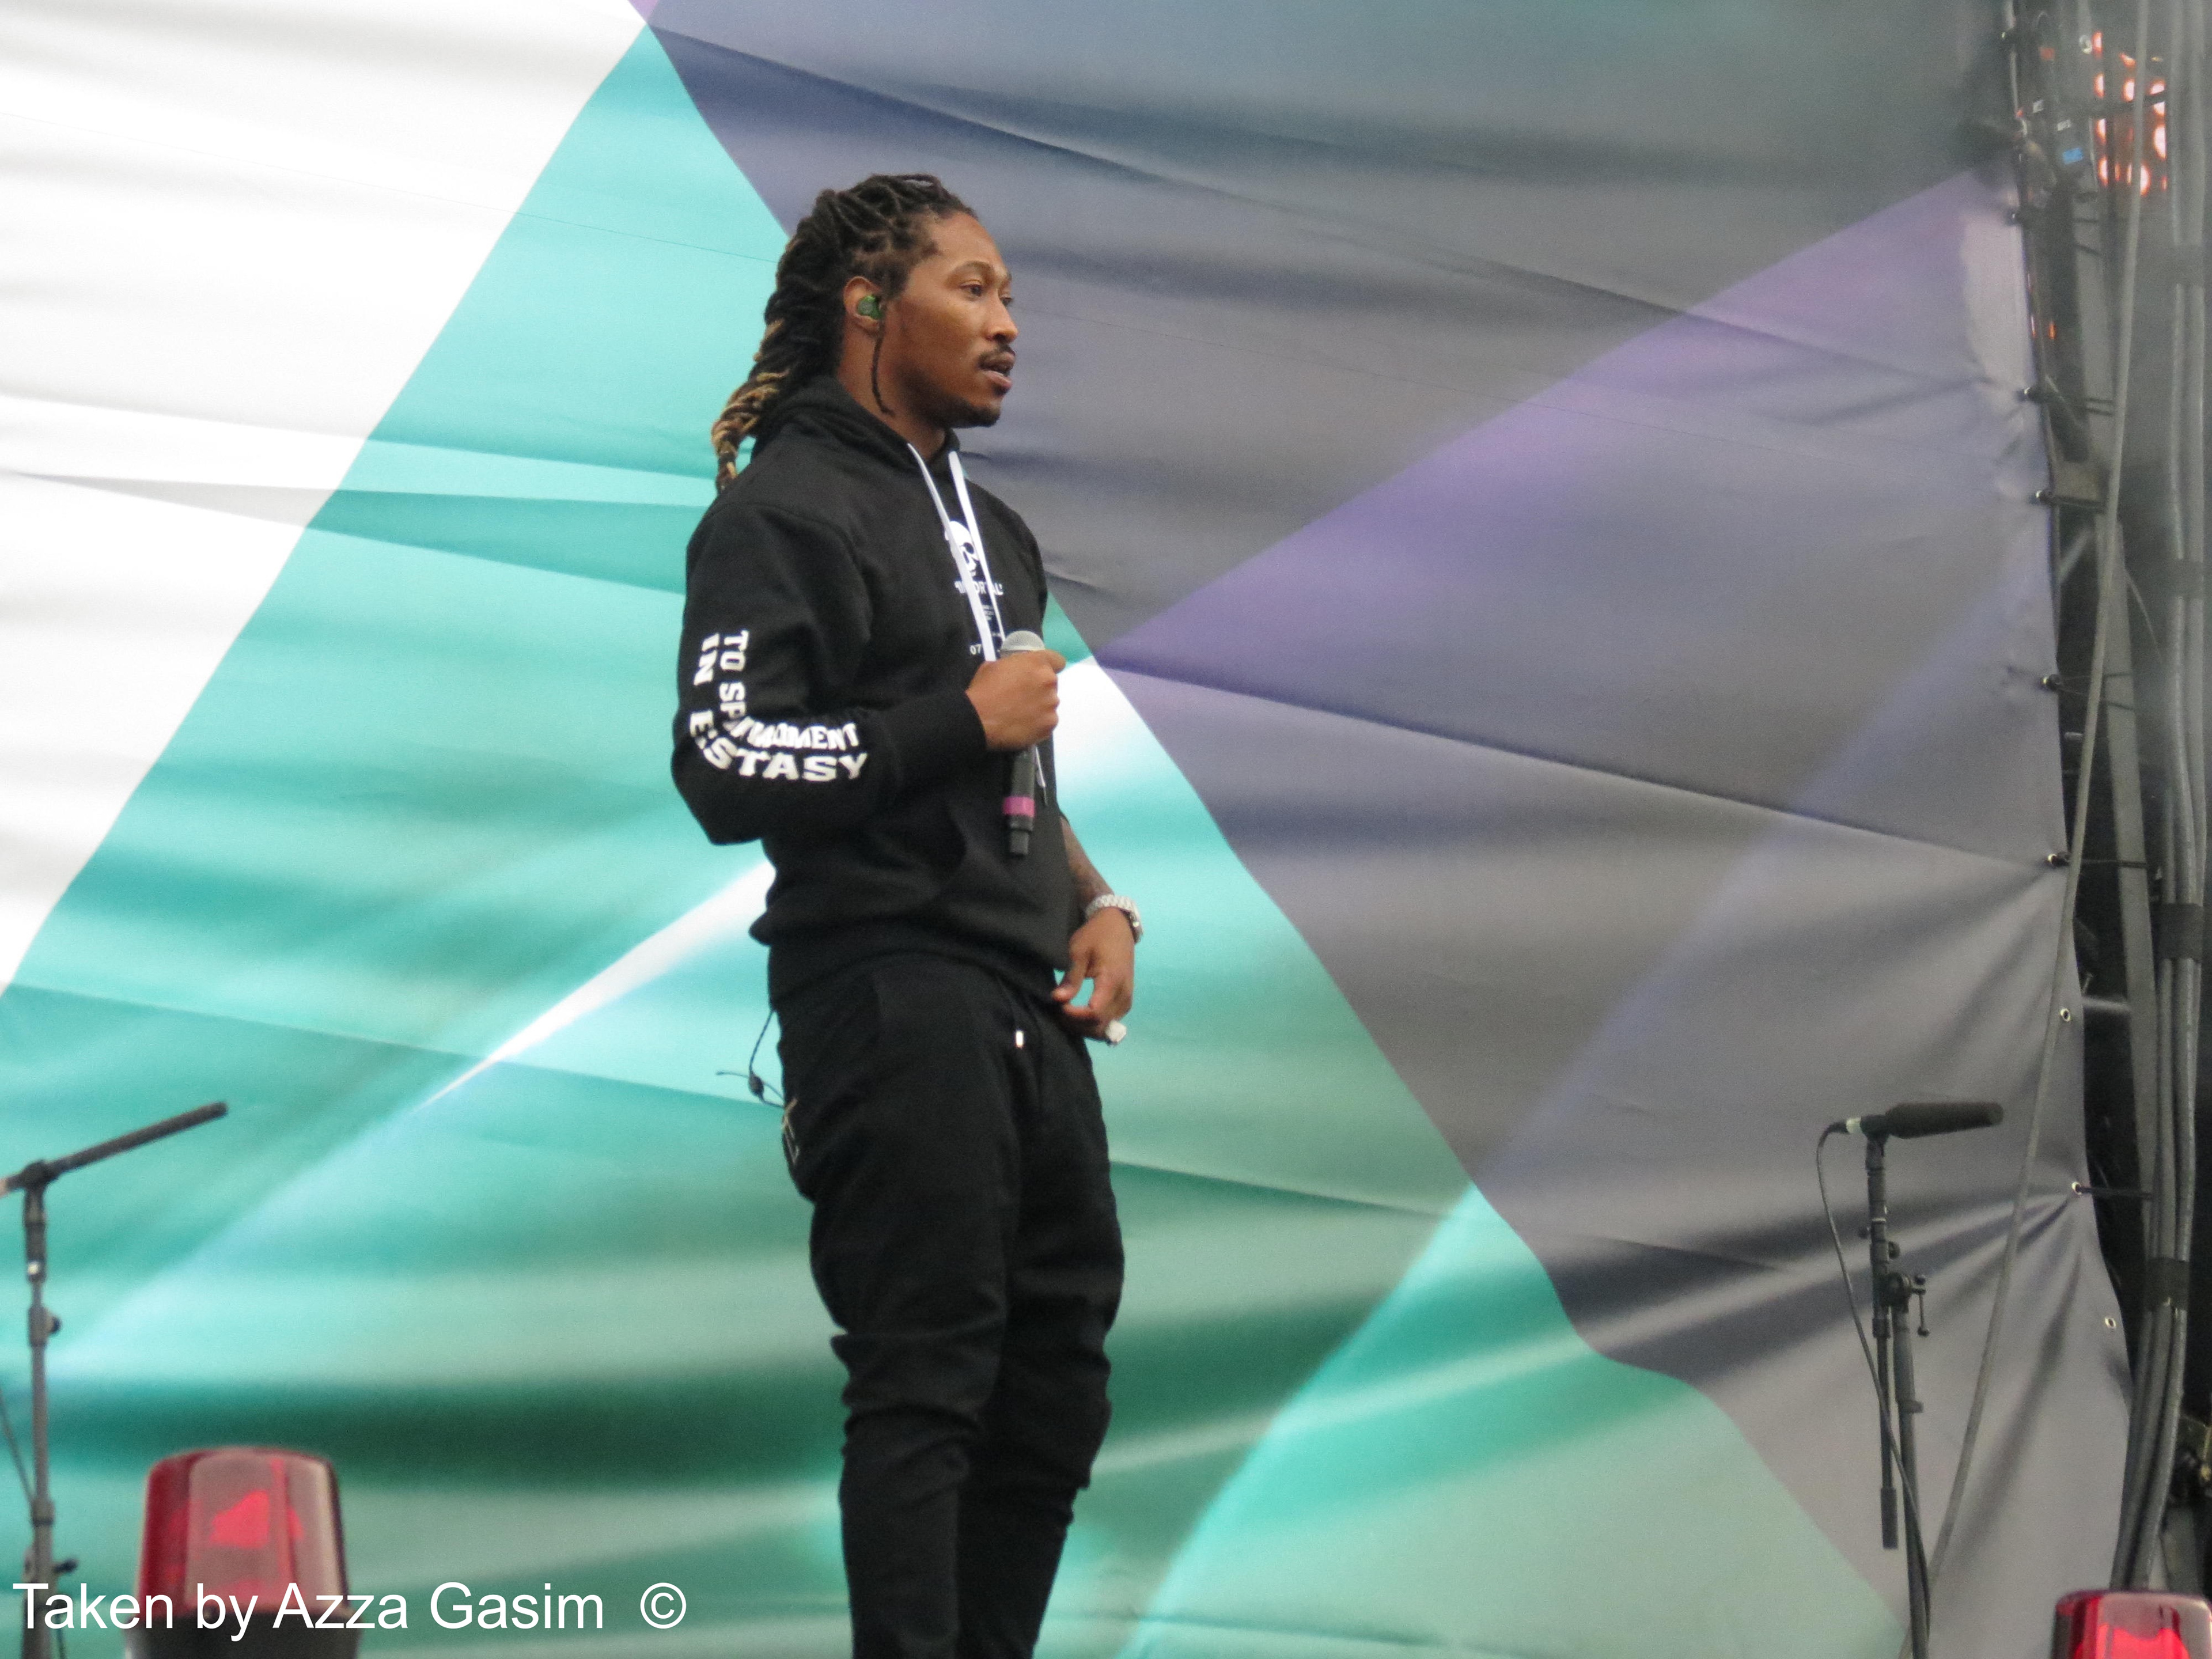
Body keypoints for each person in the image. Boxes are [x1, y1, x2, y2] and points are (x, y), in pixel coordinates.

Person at [669, 173, 1138, 1659]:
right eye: (972, 289)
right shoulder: (781, 511)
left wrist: (1094, 896)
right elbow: (726, 759)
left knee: (1055, 1385)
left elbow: (1013, 766)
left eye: (1010, 296)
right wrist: (959, 719)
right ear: (870, 306)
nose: (1008, 325)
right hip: (887, 989)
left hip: (1025, 999)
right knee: (927, 1380)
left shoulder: (996, 529)